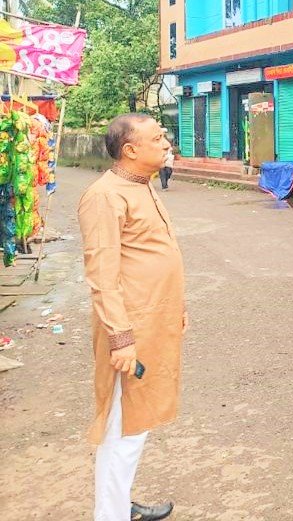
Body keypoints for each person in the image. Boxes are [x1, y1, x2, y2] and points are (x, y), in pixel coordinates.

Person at [78, 113, 188, 520]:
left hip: (154, 322)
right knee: (123, 425)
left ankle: (118, 504)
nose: (165, 142)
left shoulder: (141, 185)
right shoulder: (105, 196)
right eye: (156, 138)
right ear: (130, 150)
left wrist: (178, 308)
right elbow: (102, 275)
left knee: (137, 422)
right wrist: (120, 338)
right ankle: (111, 514)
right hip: (130, 330)